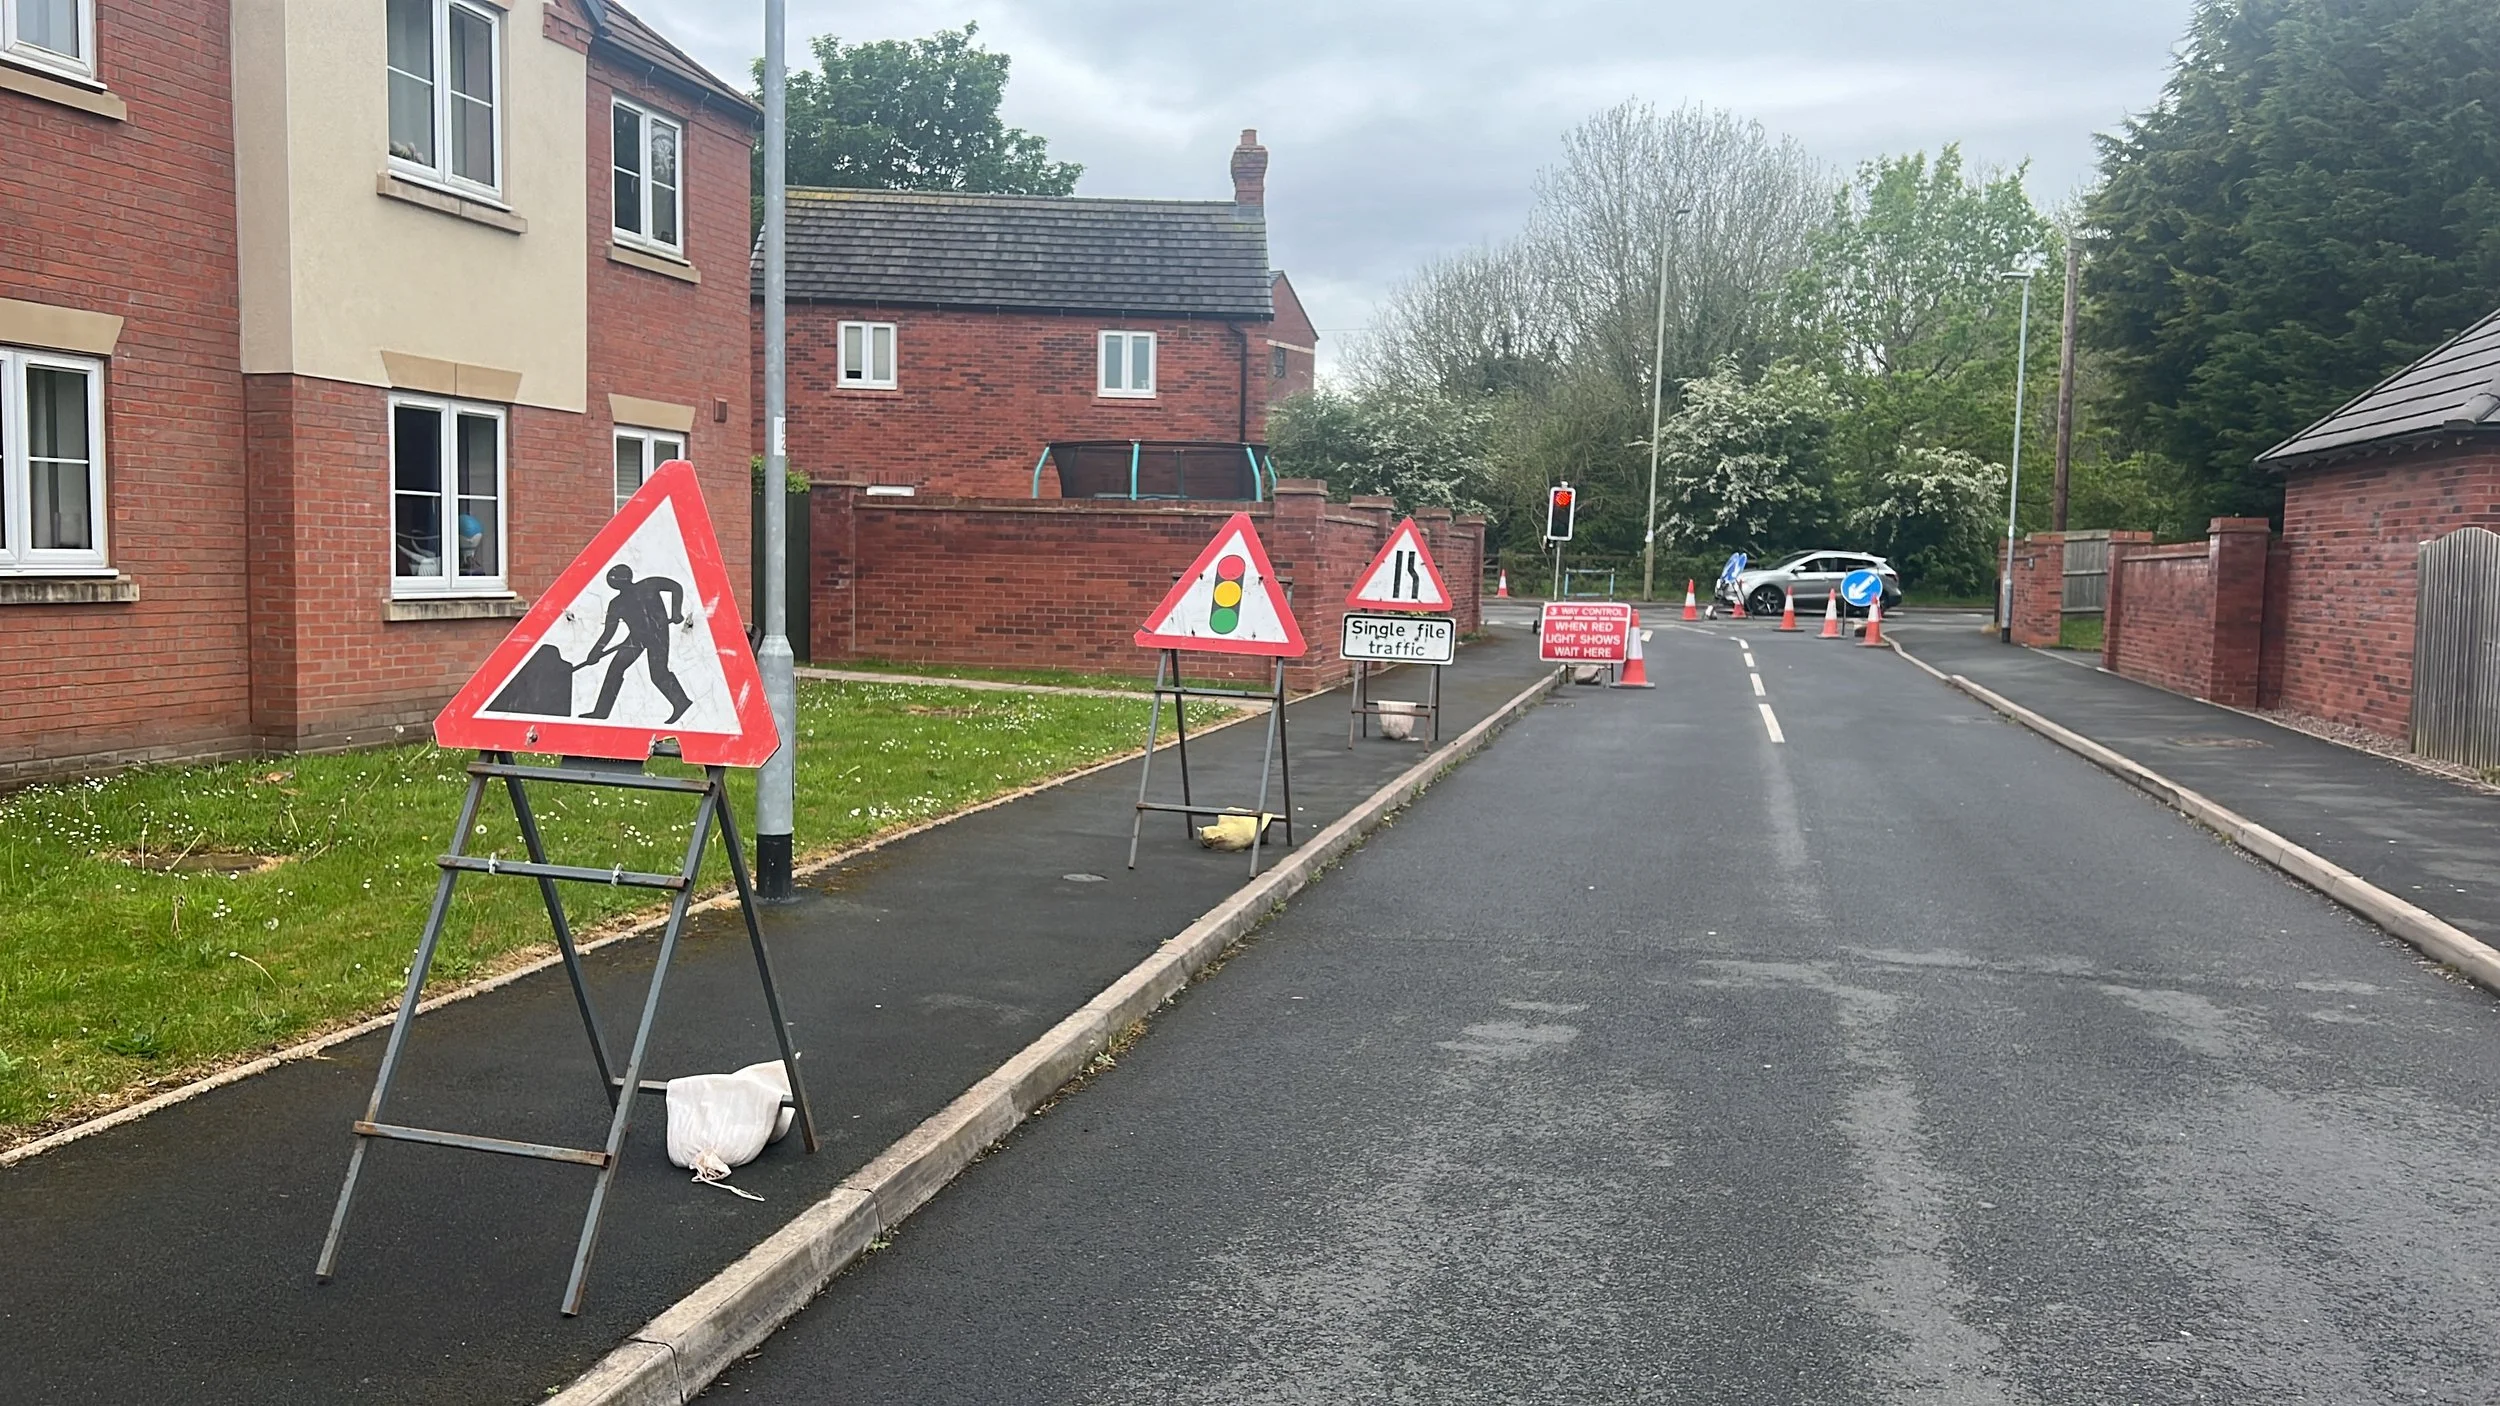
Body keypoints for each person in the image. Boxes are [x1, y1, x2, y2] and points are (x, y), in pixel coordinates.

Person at [582, 565, 694, 723]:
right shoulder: (616, 603)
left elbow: (675, 587)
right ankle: (601, 712)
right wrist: (595, 652)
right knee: (615, 669)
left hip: (657, 633)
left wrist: (676, 612)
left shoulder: (649, 584)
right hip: (637, 638)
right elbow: (609, 632)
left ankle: (681, 702)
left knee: (658, 673)